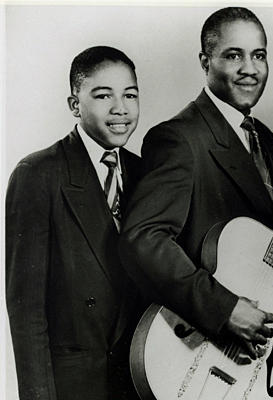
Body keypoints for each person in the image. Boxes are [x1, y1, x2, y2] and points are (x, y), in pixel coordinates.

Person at [119, 6, 273, 361]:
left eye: (259, 55)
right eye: (233, 55)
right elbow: (143, 240)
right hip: (195, 349)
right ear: (205, 61)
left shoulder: (263, 138)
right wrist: (225, 308)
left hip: (248, 354)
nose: (250, 68)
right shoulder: (178, 138)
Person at [5, 46, 145, 400]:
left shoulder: (145, 172)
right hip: (74, 386)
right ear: (74, 105)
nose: (120, 109)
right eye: (103, 96)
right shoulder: (39, 174)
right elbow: (27, 311)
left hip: (138, 378)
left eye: (130, 95)